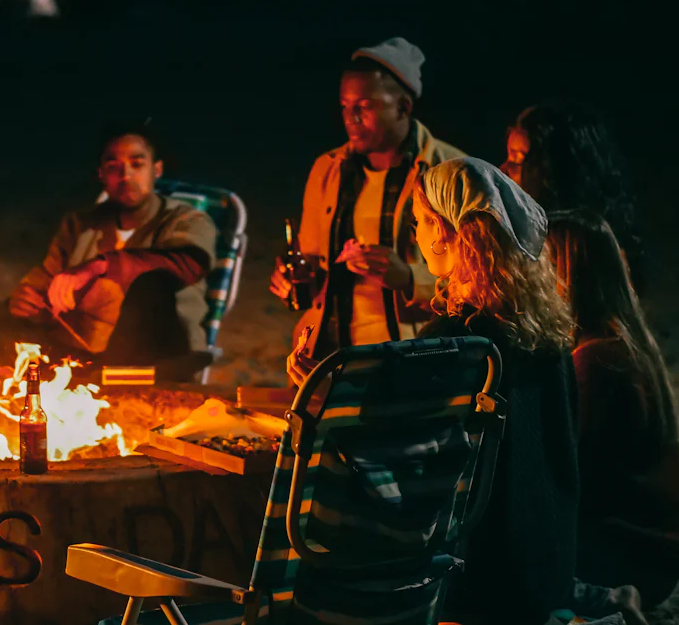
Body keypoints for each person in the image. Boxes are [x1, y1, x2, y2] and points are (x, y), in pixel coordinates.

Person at [287, 158, 645, 624]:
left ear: (441, 231)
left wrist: (322, 394)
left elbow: (387, 459)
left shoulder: (455, 345)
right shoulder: (548, 334)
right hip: (546, 564)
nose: (415, 236)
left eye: (418, 223)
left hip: (471, 577)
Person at [0, 122, 217, 380]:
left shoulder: (186, 220)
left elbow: (187, 264)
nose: (126, 176)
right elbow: (43, 280)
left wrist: (97, 266)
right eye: (114, 167)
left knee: (151, 287)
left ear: (156, 170)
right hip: (74, 357)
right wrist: (23, 302)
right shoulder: (80, 225)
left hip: (149, 358)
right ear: (101, 175)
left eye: (137, 164)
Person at [270, 37, 465, 358]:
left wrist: (409, 279)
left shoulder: (448, 172)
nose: (351, 118)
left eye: (364, 106)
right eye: (345, 107)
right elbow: (311, 263)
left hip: (412, 356)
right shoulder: (328, 169)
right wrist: (294, 281)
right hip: (326, 354)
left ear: (403, 107)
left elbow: (478, 285)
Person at [547, 209, 679, 607]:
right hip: (651, 549)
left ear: (565, 274)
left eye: (539, 264)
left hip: (622, 553)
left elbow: (575, 480)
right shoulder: (625, 345)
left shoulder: (596, 361)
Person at [500, 102, 644, 287]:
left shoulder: (582, 254)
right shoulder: (526, 230)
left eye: (518, 160)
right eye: (509, 157)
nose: (503, 170)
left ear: (555, 171)